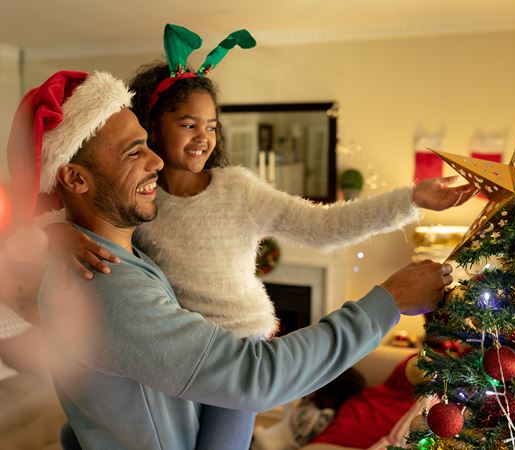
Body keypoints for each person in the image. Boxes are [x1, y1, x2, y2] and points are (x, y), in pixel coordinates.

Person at [46, 24, 476, 447]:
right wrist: (56, 232)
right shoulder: (135, 206)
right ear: (155, 125)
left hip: (240, 344)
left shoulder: (233, 190)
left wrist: (411, 199)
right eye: (188, 124)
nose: (203, 138)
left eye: (212, 126)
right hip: (196, 355)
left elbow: (323, 226)